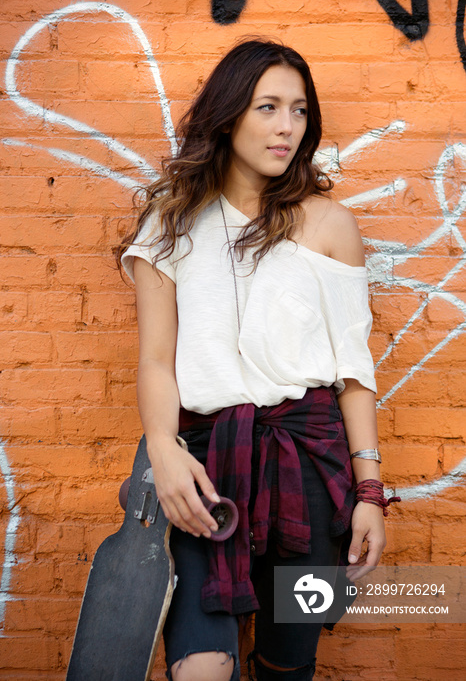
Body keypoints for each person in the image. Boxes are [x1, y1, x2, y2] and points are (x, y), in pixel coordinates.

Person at [117, 38, 393, 681]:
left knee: (285, 666)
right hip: (205, 473)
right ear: (228, 114)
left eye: (298, 110)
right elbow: (156, 359)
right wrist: (162, 447)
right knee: (202, 668)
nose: (286, 126)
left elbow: (354, 374)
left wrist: (370, 493)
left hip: (310, 471)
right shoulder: (173, 220)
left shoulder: (329, 223)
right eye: (267, 107)